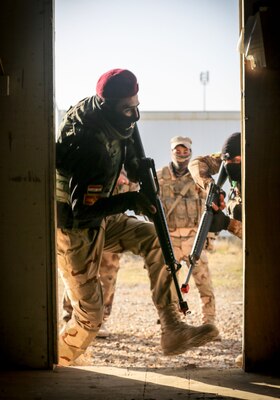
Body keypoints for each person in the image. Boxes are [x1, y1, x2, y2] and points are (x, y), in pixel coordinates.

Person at [55, 68, 219, 366]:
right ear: (108, 106)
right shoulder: (90, 144)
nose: (134, 115)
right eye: (127, 109)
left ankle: (172, 328)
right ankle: (56, 357)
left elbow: (125, 152)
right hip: (75, 228)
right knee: (91, 316)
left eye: (136, 106)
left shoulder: (114, 120)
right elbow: (81, 209)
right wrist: (131, 200)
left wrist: (135, 166)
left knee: (153, 236)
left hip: (101, 215)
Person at [188, 131, 242, 365]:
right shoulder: (229, 161)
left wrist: (230, 224)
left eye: (236, 162)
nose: (231, 166)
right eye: (227, 162)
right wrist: (213, 187)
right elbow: (196, 163)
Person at [157, 136, 218, 327]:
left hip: (193, 238)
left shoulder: (198, 177)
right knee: (169, 283)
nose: (182, 154)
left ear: (190, 152)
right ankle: (171, 320)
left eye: (185, 151)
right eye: (178, 150)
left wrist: (209, 236)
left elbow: (210, 207)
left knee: (204, 282)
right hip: (171, 239)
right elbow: (151, 208)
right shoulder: (159, 177)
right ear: (172, 151)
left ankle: (209, 321)